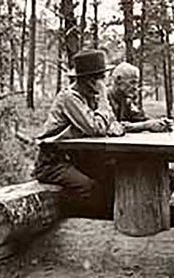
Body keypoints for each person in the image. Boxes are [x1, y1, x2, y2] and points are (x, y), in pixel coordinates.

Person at [33, 50, 123, 209]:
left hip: (75, 159)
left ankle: (106, 219)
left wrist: (110, 123)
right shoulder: (69, 98)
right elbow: (97, 128)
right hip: (53, 163)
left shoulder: (89, 97)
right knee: (89, 187)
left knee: (113, 174)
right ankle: (82, 224)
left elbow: (113, 124)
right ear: (90, 80)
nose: (104, 82)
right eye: (101, 77)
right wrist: (103, 97)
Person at [107, 62, 172, 133]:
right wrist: (145, 125)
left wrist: (158, 122)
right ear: (118, 80)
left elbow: (140, 118)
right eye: (132, 82)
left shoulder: (126, 101)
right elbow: (112, 127)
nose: (135, 87)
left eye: (136, 83)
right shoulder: (103, 99)